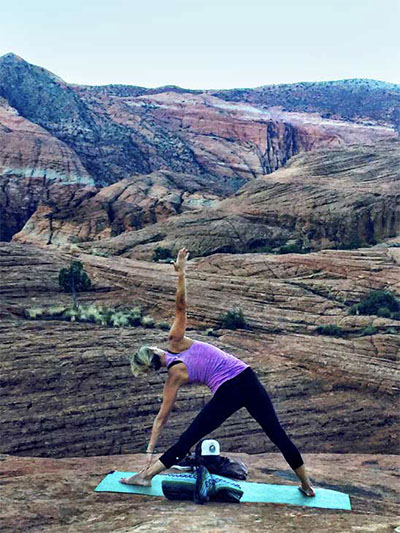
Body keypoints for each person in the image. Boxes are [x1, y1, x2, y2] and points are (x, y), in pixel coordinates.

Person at [120, 248, 315, 496]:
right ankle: (307, 486)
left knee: (188, 439)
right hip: (246, 377)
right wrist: (181, 273)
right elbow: (181, 306)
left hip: (227, 392)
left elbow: (161, 418)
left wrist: (150, 450)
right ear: (154, 349)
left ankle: (145, 476)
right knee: (276, 434)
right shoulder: (176, 341)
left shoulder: (172, 379)